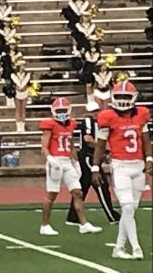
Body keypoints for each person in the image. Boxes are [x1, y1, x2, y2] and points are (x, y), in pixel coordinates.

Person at [91, 80, 149, 259]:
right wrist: (95, 167)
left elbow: (146, 140)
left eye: (126, 96)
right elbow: (100, 146)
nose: (123, 100)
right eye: (120, 96)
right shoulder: (108, 116)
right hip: (121, 166)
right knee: (128, 206)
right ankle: (136, 247)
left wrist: (150, 159)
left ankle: (118, 248)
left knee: (130, 209)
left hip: (138, 166)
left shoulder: (141, 114)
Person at [39, 98, 102, 235]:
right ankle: (44, 225)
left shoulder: (71, 124)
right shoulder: (49, 125)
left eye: (63, 110)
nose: (61, 113)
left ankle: (83, 224)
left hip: (67, 161)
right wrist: (50, 158)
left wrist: (76, 161)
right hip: (55, 161)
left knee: (78, 192)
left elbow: (71, 144)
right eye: (59, 111)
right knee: (52, 194)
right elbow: (44, 146)